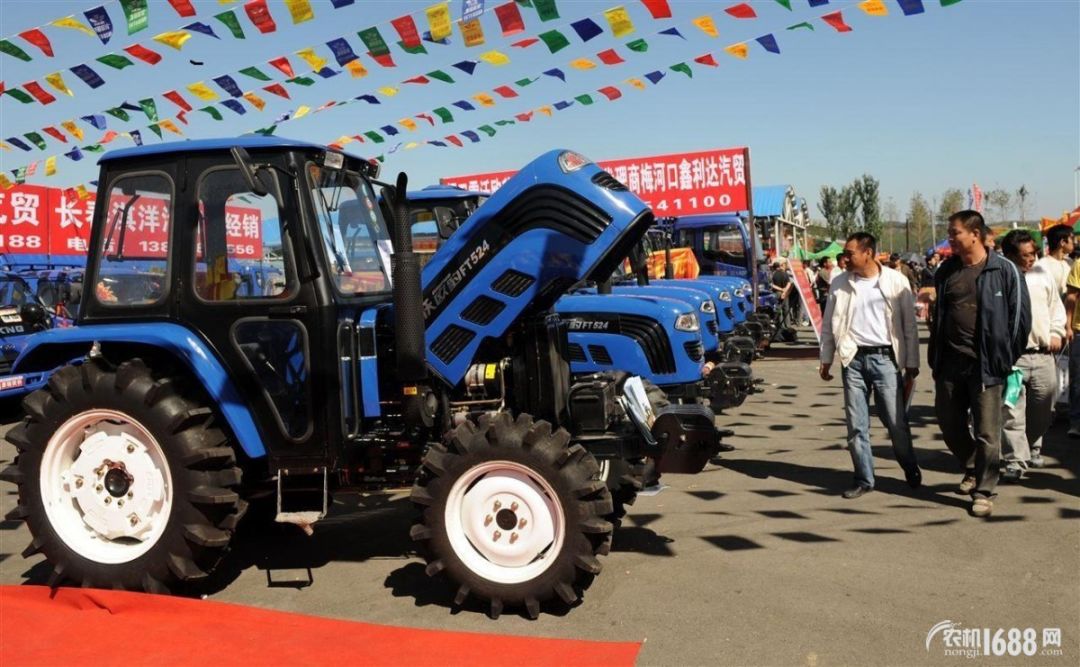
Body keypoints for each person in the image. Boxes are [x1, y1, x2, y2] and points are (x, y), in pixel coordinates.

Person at [929, 211, 1030, 518]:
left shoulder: (1004, 270)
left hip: (987, 365)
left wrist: (1004, 357)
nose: (950, 238)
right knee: (948, 422)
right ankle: (973, 465)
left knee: (988, 431)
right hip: (949, 363)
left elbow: (1020, 320)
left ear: (974, 233)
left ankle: (984, 489)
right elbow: (941, 317)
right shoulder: (946, 271)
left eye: (954, 232)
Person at [819, 232, 921, 499]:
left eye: (850, 253)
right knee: (856, 424)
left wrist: (912, 363)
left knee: (896, 421)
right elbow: (830, 322)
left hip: (886, 359)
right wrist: (826, 358)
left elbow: (909, 327)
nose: (845, 258)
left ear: (868, 253)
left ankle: (910, 466)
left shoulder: (896, 281)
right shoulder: (840, 282)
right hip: (852, 359)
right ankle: (864, 478)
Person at [999, 230, 1065, 480]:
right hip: (1013, 359)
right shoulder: (1000, 278)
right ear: (1010, 255)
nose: (1031, 259)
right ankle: (1015, 459)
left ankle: (1030, 445)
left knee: (1044, 408)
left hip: (1043, 355)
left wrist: (1057, 332)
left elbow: (1055, 308)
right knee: (1012, 410)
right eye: (1025, 255)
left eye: (1033, 254)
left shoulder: (1042, 275)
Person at [1036, 224, 1073, 296]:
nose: (1074, 242)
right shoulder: (1041, 266)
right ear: (1062, 242)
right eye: (1072, 238)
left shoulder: (1070, 262)